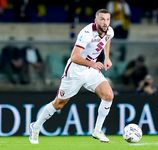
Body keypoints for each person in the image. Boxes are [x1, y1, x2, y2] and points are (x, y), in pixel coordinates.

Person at [29, 9, 114, 144]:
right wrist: (92, 64)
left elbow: (107, 39)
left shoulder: (109, 31)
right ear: (96, 20)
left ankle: (97, 130)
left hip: (90, 71)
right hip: (75, 72)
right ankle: (36, 126)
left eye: (108, 19)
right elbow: (74, 57)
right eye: (102, 19)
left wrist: (107, 58)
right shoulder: (86, 33)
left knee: (109, 95)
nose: (105, 23)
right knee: (59, 104)